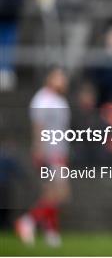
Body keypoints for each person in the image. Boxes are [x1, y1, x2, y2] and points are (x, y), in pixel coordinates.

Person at [15, 67, 70, 247]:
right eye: (59, 76)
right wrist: (39, 148)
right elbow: (38, 125)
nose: (62, 81)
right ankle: (28, 221)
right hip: (50, 150)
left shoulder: (59, 100)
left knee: (50, 193)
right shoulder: (43, 98)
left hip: (59, 151)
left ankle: (51, 232)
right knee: (60, 193)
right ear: (49, 78)